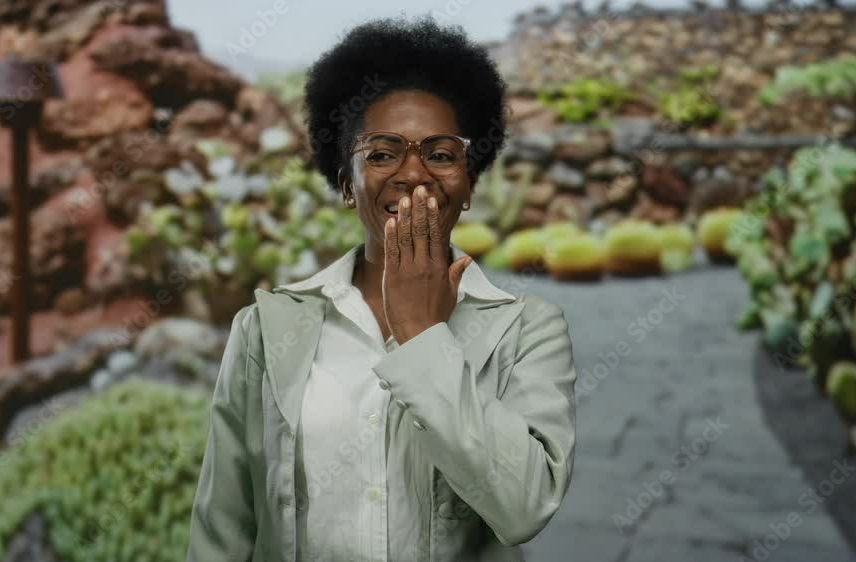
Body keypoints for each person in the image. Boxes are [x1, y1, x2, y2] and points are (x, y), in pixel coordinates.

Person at [186, 14, 576, 562]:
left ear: (469, 184)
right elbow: (222, 531)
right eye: (382, 153)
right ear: (347, 184)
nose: (413, 173)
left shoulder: (529, 329)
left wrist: (423, 336)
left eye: (440, 154)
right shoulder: (265, 329)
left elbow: (524, 508)